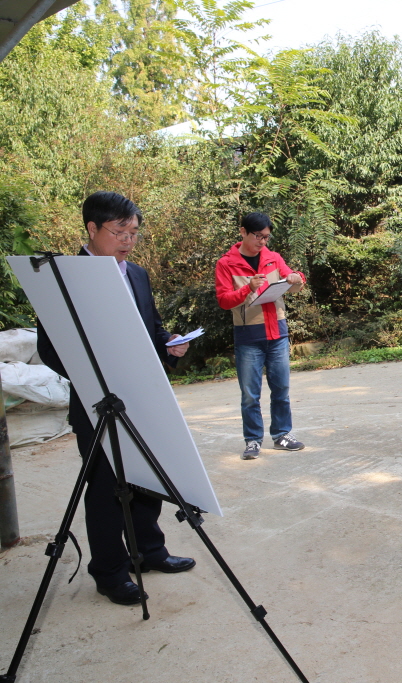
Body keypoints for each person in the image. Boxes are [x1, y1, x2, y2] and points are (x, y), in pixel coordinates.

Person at [36, 191, 196, 606]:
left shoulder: (137, 275)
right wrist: (99, 374)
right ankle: (109, 571)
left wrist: (170, 343)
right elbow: (51, 350)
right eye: (119, 230)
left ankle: (149, 552)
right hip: (96, 404)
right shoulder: (62, 277)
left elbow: (152, 330)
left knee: (145, 479)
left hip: (141, 396)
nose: (128, 239)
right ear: (92, 229)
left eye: (134, 232)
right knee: (107, 488)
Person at [215, 212, 306, 460]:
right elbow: (223, 300)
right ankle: (253, 440)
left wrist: (296, 278)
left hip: (277, 333)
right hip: (248, 337)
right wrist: (248, 289)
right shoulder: (226, 263)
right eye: (258, 236)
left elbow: (294, 279)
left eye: (266, 237)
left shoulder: (273, 258)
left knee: (281, 389)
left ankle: (282, 435)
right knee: (249, 394)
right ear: (243, 232)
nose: (262, 242)